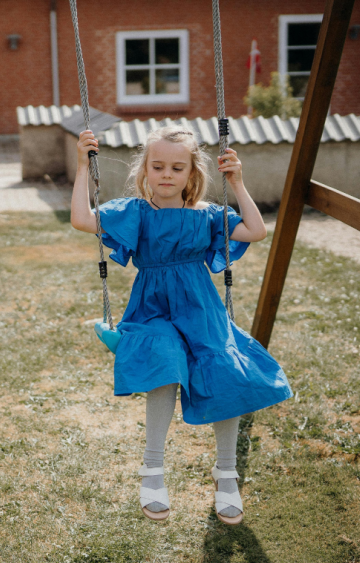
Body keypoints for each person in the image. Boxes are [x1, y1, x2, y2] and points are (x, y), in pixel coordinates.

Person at [71, 126, 292, 524]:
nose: (167, 174)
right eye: (158, 166)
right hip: (153, 308)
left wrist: (238, 183)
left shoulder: (206, 215)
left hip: (200, 309)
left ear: (192, 173)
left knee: (225, 374)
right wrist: (82, 166)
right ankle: (152, 470)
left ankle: (227, 474)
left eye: (177, 167)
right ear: (145, 170)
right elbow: (81, 220)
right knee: (164, 362)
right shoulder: (136, 211)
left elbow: (256, 231)